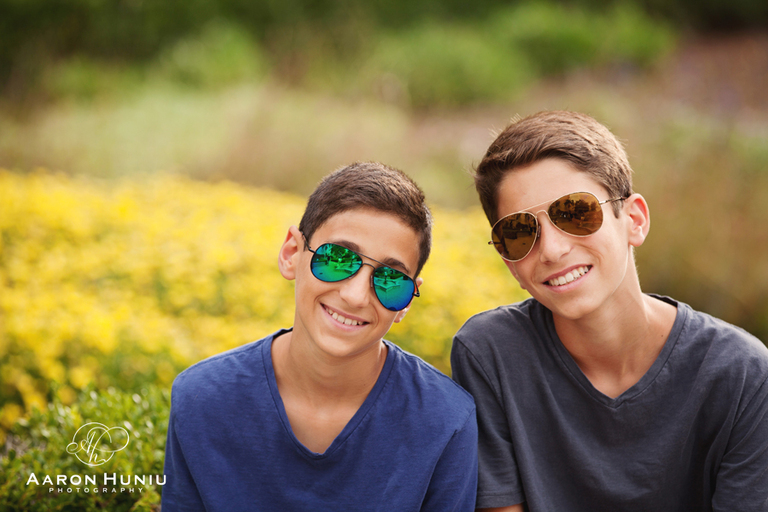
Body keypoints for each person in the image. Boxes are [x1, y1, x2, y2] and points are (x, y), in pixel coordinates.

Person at [450, 111, 768, 511]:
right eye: (518, 232)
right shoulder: (491, 353)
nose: (552, 250)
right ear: (509, 261)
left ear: (633, 220)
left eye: (575, 213)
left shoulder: (742, 376)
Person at [161, 162, 478, 511]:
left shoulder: (446, 421)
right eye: (338, 258)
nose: (356, 296)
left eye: (390, 279)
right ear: (292, 253)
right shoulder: (201, 400)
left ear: (408, 301)